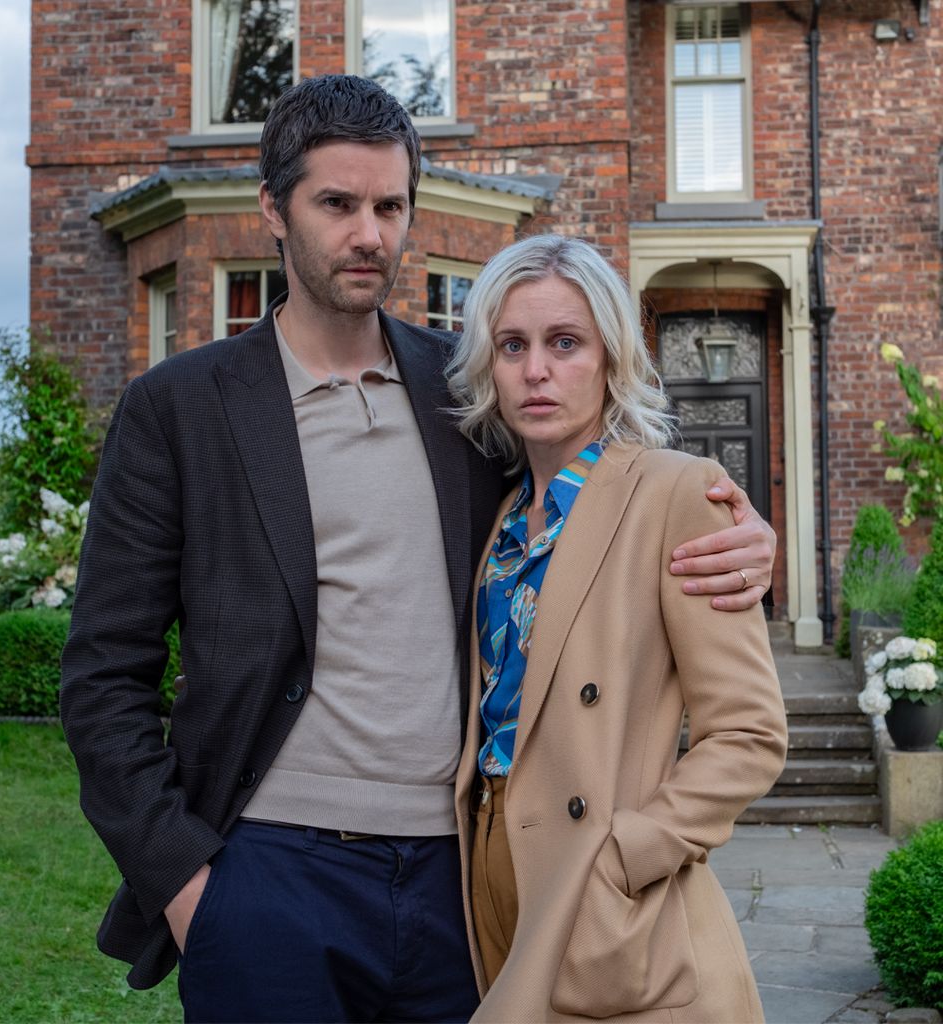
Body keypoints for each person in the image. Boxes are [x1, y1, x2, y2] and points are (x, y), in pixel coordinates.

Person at [60, 76, 777, 1024]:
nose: (371, 234)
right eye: (338, 204)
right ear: (273, 208)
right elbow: (104, 676)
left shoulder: (467, 391)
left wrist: (742, 528)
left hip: (461, 878)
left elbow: (604, 492)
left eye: (391, 206)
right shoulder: (181, 408)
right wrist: (194, 890)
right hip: (267, 871)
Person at [445, 234, 789, 1023]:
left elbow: (749, 733)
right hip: (489, 864)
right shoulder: (502, 521)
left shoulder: (677, 493)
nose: (536, 370)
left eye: (565, 343)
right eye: (512, 345)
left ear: (611, 357)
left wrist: (632, 852)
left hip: (604, 880)